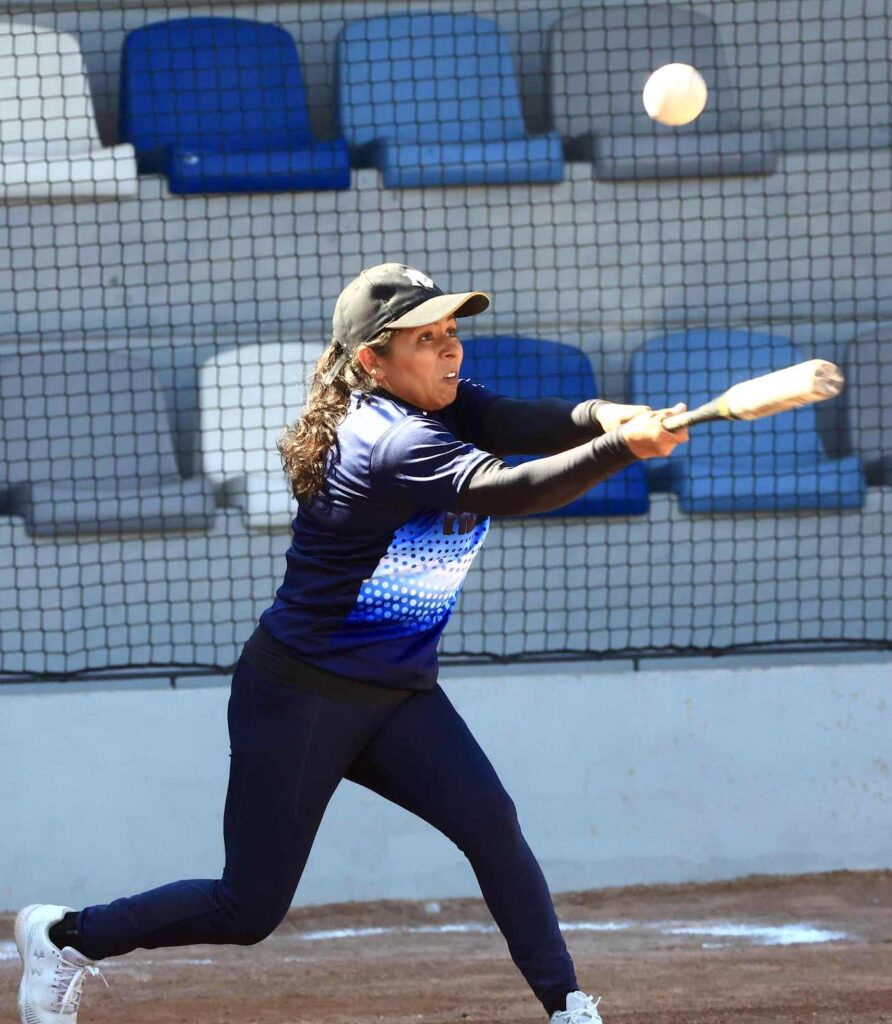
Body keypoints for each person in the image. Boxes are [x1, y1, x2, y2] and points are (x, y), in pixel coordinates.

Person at [14, 263, 688, 1024]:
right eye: (425, 339)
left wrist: (609, 414)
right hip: (302, 694)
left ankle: (566, 1006)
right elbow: (517, 490)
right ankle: (64, 937)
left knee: (491, 824)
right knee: (249, 908)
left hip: (398, 692)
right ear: (372, 359)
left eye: (451, 332)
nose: (451, 350)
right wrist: (622, 447)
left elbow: (517, 420)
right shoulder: (388, 439)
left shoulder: (440, 403)